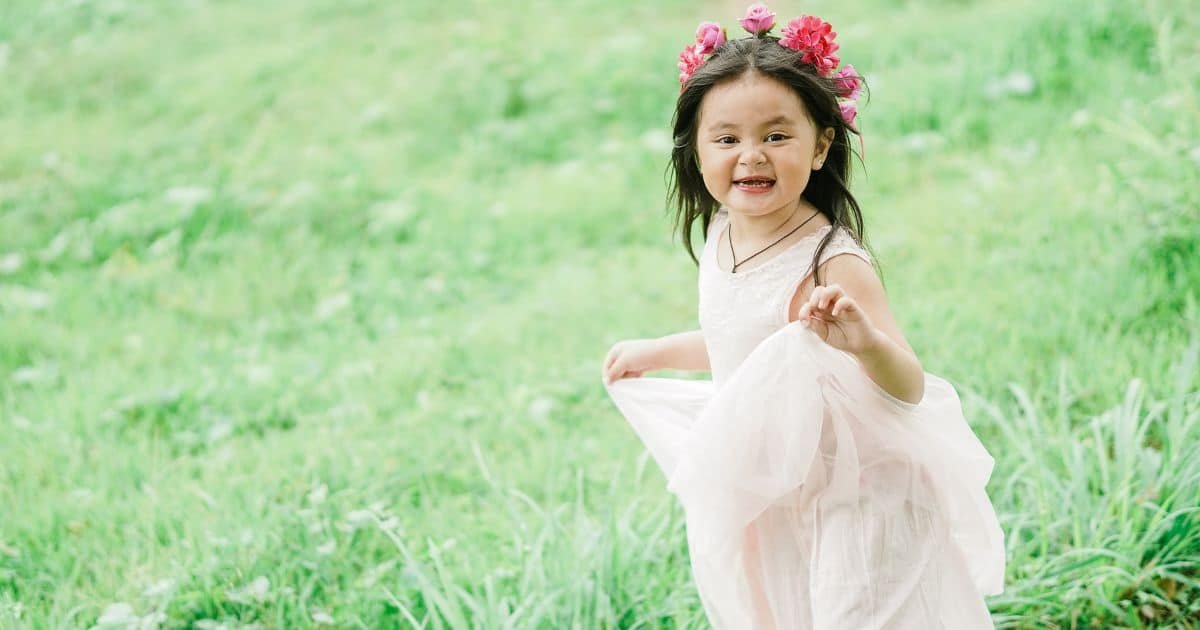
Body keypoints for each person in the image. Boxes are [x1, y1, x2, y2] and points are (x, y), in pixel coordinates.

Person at [601, 4, 1005, 628]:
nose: (752, 156)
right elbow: (745, 342)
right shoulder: (724, 233)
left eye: (776, 135)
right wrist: (659, 351)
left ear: (820, 145)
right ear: (696, 149)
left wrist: (864, 342)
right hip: (779, 486)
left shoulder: (830, 260)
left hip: (857, 491)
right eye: (728, 138)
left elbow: (909, 385)